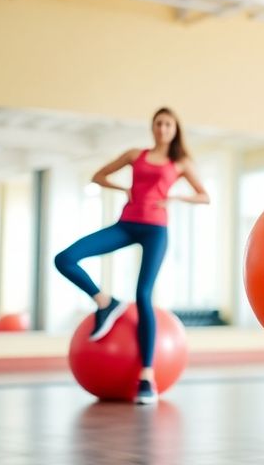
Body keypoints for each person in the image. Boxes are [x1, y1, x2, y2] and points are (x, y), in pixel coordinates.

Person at [54, 107, 209, 405]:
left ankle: (146, 376)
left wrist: (176, 197)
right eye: (158, 124)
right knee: (65, 258)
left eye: (168, 124)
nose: (163, 129)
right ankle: (104, 301)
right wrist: (124, 187)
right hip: (126, 225)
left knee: (143, 295)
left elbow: (205, 195)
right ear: (152, 128)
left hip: (156, 231)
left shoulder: (180, 162)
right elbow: (98, 176)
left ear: (175, 130)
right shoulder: (134, 154)